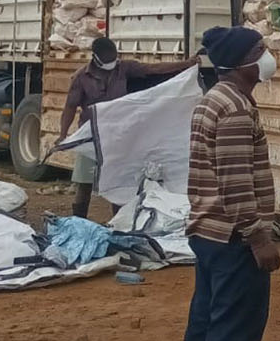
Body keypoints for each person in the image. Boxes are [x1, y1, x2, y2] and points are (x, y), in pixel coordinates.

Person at [172, 26, 280, 341]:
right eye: (261, 50)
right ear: (243, 63)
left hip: (208, 232)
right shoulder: (234, 108)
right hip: (232, 236)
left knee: (206, 321)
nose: (267, 56)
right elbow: (235, 181)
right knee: (235, 329)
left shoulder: (213, 99)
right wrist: (258, 237)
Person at [60, 37, 197, 219]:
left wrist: (185, 64)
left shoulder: (124, 68)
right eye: (107, 61)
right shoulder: (81, 77)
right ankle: (77, 222)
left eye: (113, 59)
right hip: (93, 137)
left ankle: (119, 223)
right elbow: (70, 107)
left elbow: (153, 69)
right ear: (95, 58)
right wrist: (63, 134)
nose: (111, 64)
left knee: (119, 184)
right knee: (84, 183)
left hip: (119, 136)